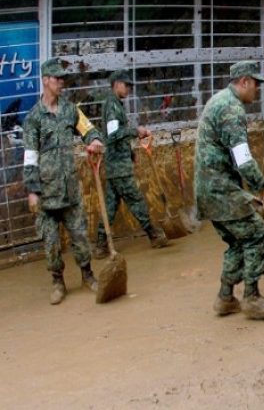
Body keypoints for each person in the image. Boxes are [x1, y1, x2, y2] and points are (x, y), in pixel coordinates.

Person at [194, 61, 264, 320]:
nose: (257, 91)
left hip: (210, 189)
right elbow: (243, 159)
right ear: (243, 81)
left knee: (236, 241)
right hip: (221, 190)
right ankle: (252, 298)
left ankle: (225, 297)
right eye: (255, 84)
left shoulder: (218, 101)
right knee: (256, 235)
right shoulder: (231, 109)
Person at [23, 58, 105, 305]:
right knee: (51, 241)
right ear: (45, 80)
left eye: (62, 79)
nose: (61, 83)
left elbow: (89, 129)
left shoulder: (70, 109)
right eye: (57, 79)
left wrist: (95, 140)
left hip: (70, 189)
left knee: (80, 235)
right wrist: (32, 190)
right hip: (47, 192)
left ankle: (87, 275)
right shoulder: (33, 118)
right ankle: (58, 281)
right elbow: (30, 156)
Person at [94, 69, 167, 259]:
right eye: (126, 85)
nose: (128, 89)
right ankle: (153, 234)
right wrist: (136, 131)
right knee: (135, 200)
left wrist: (130, 151)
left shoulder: (115, 104)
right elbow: (113, 135)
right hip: (118, 168)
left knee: (110, 206)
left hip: (116, 165)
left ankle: (101, 245)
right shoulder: (111, 105)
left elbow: (117, 135)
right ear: (116, 83)